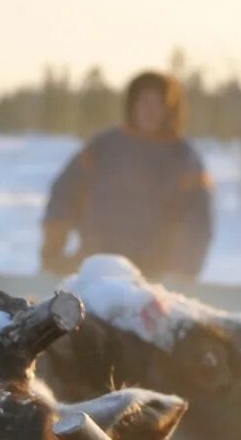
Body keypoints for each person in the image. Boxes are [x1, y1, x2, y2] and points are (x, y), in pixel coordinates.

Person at [40, 71, 216, 283]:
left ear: (170, 108)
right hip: (97, 273)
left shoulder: (185, 159)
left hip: (156, 282)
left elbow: (198, 223)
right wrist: (54, 248)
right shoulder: (103, 147)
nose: (150, 110)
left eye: (159, 103)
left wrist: (182, 274)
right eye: (144, 101)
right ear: (132, 104)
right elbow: (64, 193)